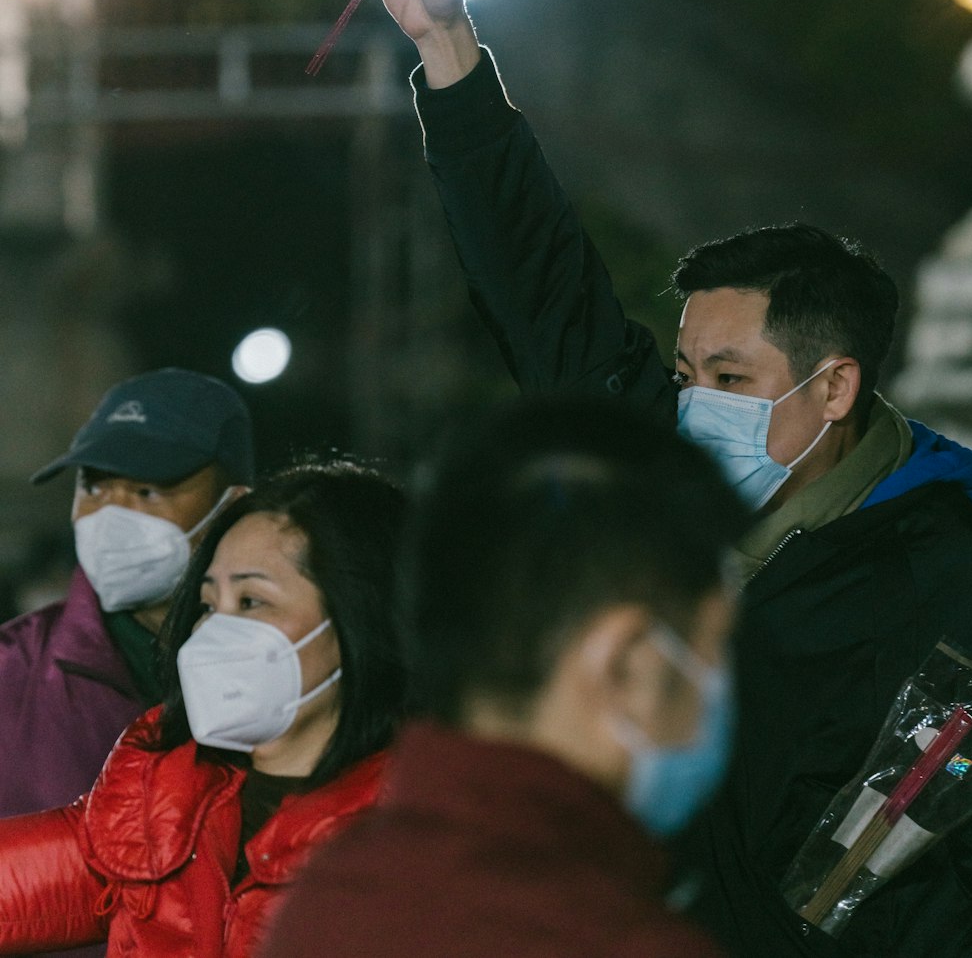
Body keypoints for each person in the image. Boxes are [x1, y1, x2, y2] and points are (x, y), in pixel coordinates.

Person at [364, 0, 972, 958]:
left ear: (832, 385)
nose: (694, 401)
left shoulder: (956, 581)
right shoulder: (658, 474)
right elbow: (541, 289)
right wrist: (445, 45)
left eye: (729, 376)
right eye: (683, 370)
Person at [263, 396, 746, 958]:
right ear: (628, 662)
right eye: (715, 647)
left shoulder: (329, 896)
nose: (722, 685)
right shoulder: (626, 943)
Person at [0, 460, 407, 958]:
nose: (213, 633)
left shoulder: (420, 850)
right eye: (211, 605)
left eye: (253, 602)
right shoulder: (166, 795)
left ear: (358, 621)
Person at [0, 368, 254, 839]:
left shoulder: (292, 668)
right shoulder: (12, 675)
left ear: (233, 505)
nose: (110, 516)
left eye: (147, 491)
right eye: (93, 487)